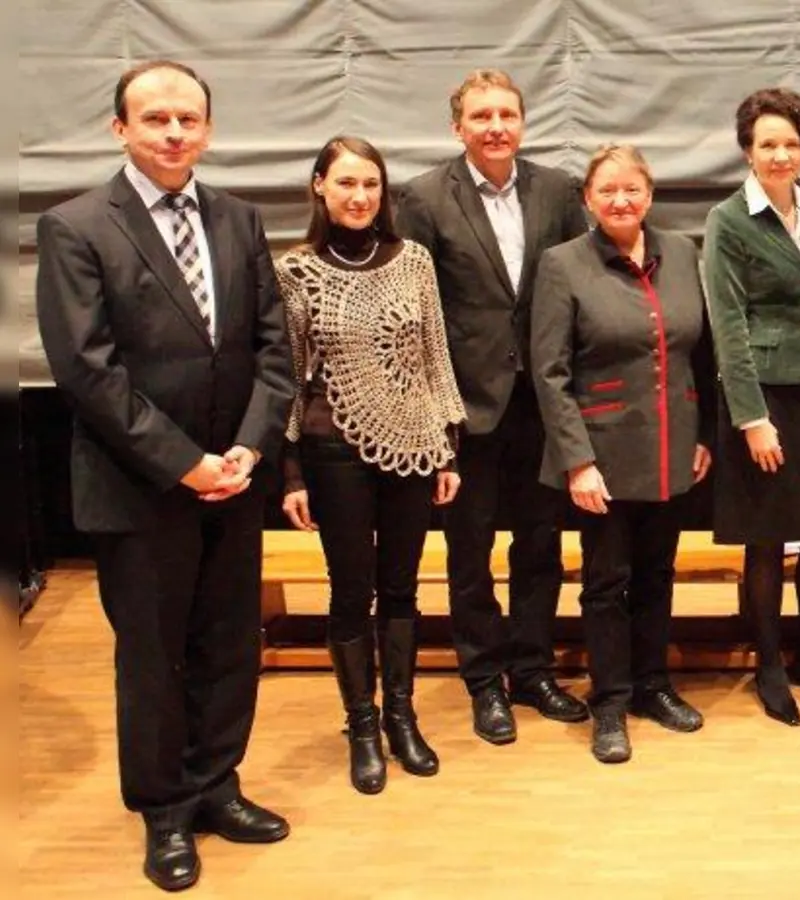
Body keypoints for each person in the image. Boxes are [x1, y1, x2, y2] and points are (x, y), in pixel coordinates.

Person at [34, 60, 295, 891]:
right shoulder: (76, 226)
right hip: (141, 487)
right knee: (153, 657)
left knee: (228, 646)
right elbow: (87, 369)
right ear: (121, 129)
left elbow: (271, 349)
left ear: (210, 129)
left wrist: (250, 449)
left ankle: (218, 785)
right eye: (156, 119)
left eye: (189, 118)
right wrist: (186, 464)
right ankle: (164, 811)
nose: (174, 131)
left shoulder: (239, 219)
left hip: (237, 477)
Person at [398, 69, 591, 745]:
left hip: (543, 404)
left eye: (506, 114)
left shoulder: (561, 191)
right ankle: (484, 682)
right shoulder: (422, 198)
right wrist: (431, 417)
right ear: (459, 127)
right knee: (469, 553)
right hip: (465, 412)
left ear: (523, 121)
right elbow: (413, 314)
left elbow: (581, 287)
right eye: (481, 116)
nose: (495, 127)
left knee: (540, 547)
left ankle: (533, 671)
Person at [276, 136, 467, 794]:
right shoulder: (297, 271)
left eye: (372, 185)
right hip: (334, 450)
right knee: (351, 592)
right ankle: (361, 725)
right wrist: (291, 470)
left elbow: (433, 356)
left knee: (405, 588)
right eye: (347, 183)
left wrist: (446, 444)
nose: (360, 197)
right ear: (320, 187)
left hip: (414, 446)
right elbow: (288, 376)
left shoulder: (412, 261)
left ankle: (402, 718)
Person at [529, 144, 716, 764]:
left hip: (671, 447)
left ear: (650, 194)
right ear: (588, 198)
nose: (620, 200)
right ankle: (610, 701)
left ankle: (652, 687)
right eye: (607, 189)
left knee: (658, 573)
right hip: (601, 457)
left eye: (632, 188)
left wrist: (703, 435)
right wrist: (576, 460)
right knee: (607, 582)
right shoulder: (562, 264)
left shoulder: (682, 251)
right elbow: (549, 373)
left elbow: (701, 353)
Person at [702, 88, 800, 726]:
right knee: (766, 538)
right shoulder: (728, 220)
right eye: (768, 144)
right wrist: (751, 418)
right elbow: (728, 326)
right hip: (765, 400)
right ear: (748, 150)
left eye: (791, 144)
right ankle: (769, 663)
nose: (780, 154)